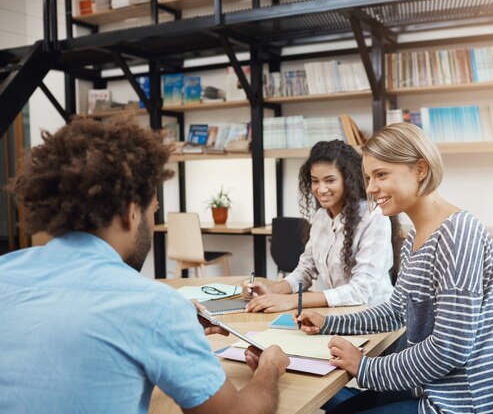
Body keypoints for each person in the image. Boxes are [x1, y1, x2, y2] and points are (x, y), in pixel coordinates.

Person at [0, 117, 289, 414]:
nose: (152, 223)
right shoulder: (154, 307)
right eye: (153, 211)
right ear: (130, 212)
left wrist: (168, 333)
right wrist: (269, 368)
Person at [296, 123, 493, 413]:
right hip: (436, 389)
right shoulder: (415, 240)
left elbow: (449, 349)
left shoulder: (458, 234)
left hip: (466, 404)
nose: (370, 188)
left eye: (381, 175)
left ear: (420, 170)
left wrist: (366, 367)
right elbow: (395, 312)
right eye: (368, 177)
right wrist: (329, 323)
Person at [243, 139, 401, 313]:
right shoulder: (320, 218)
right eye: (315, 181)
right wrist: (269, 292)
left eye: (330, 180)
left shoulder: (374, 217)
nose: (321, 189)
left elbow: (360, 291)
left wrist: (293, 301)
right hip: (337, 314)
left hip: (375, 317)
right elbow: (305, 271)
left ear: (348, 180)